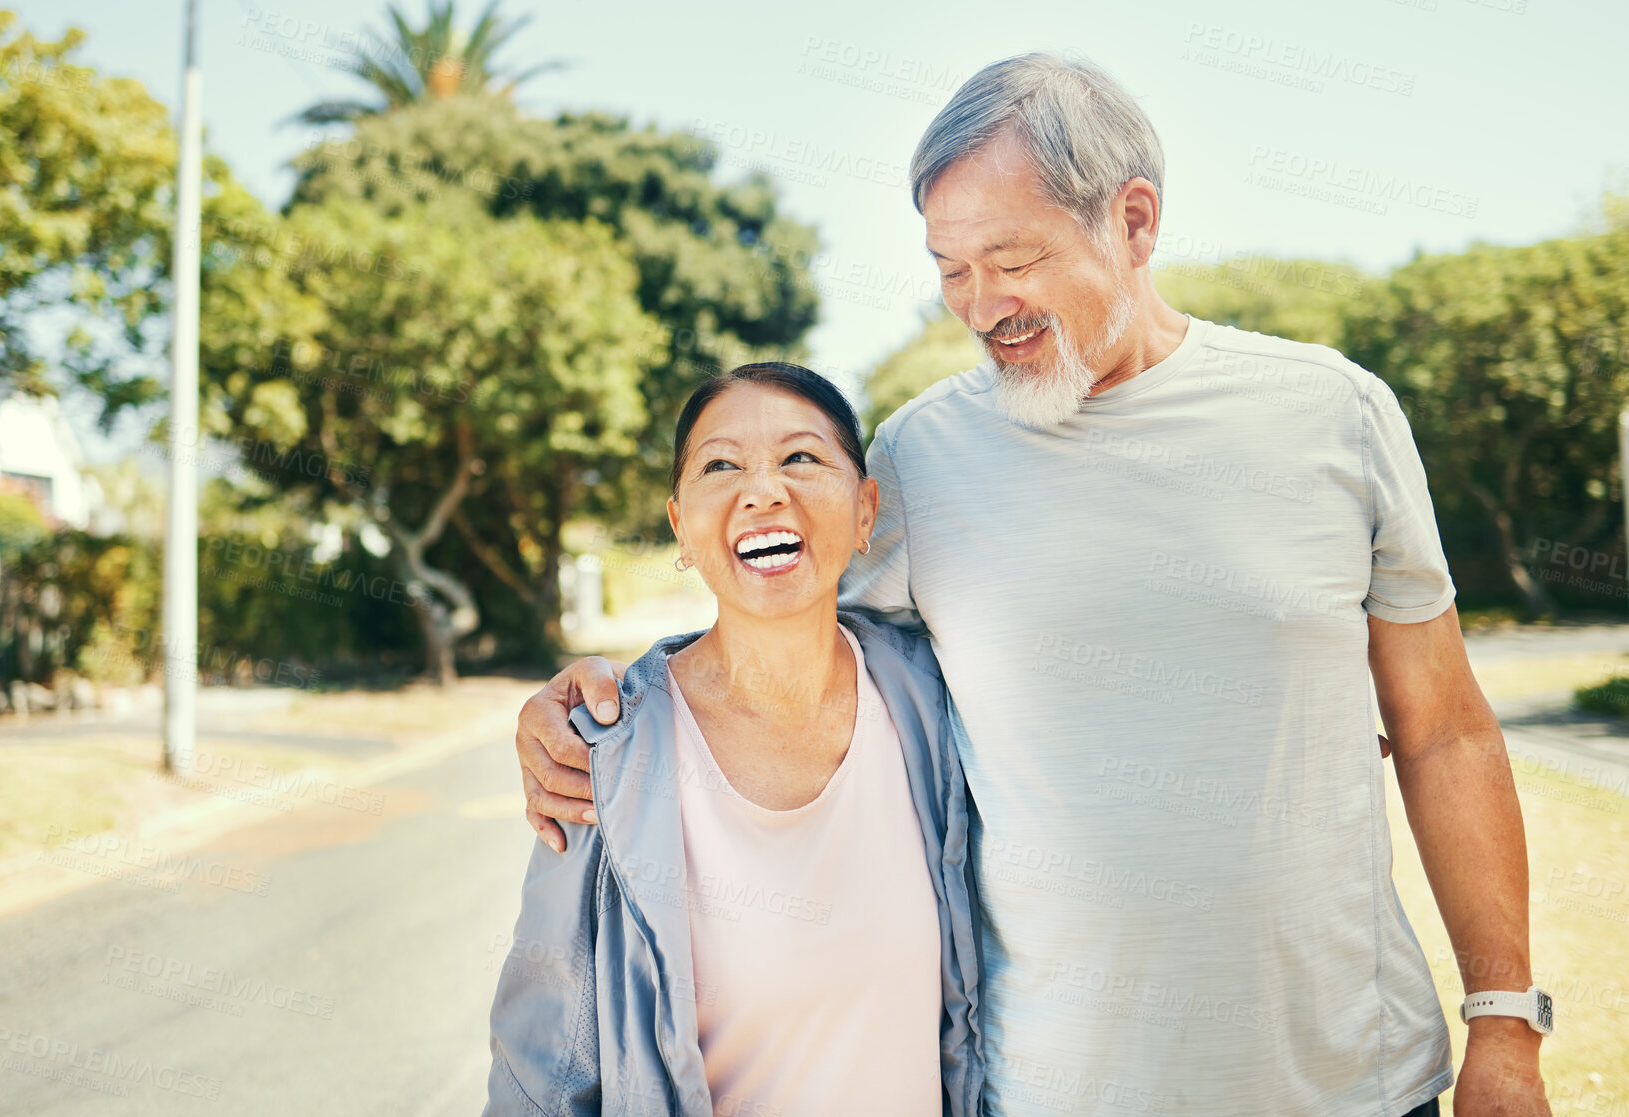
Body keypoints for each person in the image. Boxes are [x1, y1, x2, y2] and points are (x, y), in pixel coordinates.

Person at [515, 55, 1552, 1116]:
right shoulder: (920, 458)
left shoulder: (1334, 413)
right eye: (949, 268)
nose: (979, 306)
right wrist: (602, 712)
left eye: (1011, 260)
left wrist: (1504, 1019)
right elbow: (774, 635)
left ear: (1134, 222)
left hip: (1353, 1084)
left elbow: (1442, 731)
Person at [485, 362, 986, 1117]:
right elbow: (542, 1071)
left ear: (865, 512)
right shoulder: (607, 748)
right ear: (680, 524)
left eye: (801, 458)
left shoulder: (936, 697)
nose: (763, 490)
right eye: (721, 465)